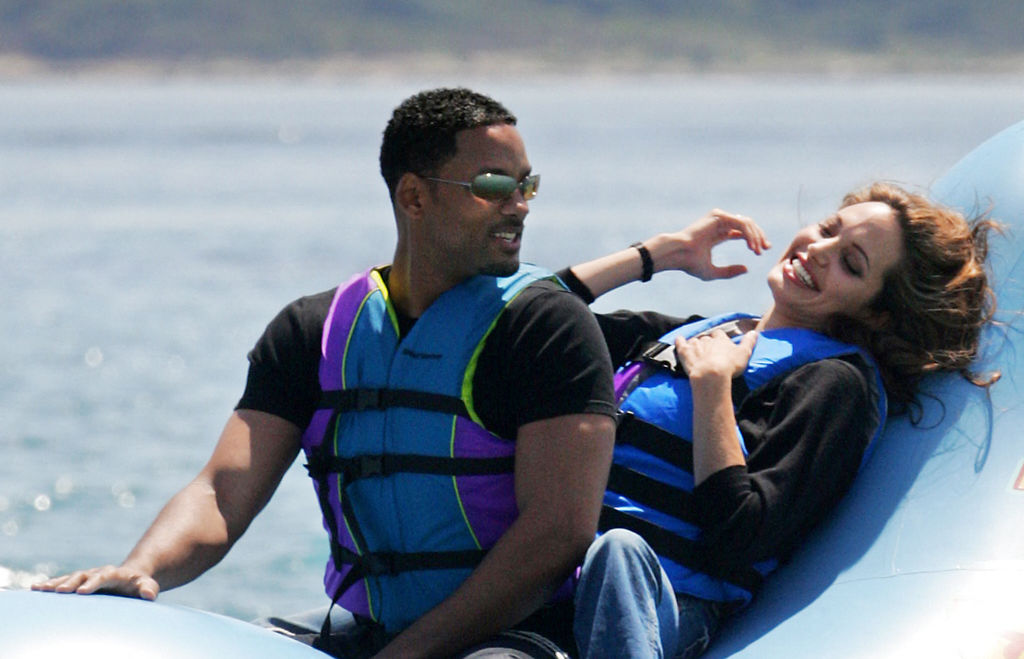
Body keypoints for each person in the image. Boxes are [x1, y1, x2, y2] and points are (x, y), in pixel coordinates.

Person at [33, 87, 618, 658]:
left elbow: (557, 534)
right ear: (414, 197)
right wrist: (142, 569)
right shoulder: (311, 333)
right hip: (366, 632)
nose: (519, 206)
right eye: (493, 186)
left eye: (526, 185)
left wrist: (410, 653)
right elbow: (221, 491)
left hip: (517, 635)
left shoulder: (547, 328)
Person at [560, 182, 998, 658]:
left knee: (620, 552)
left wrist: (713, 390)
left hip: (661, 604)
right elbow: (528, 324)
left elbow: (743, 534)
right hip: (559, 577)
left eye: (851, 264)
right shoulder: (701, 335)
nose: (820, 251)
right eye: (828, 229)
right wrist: (657, 255)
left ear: (877, 314)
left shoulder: (837, 384)